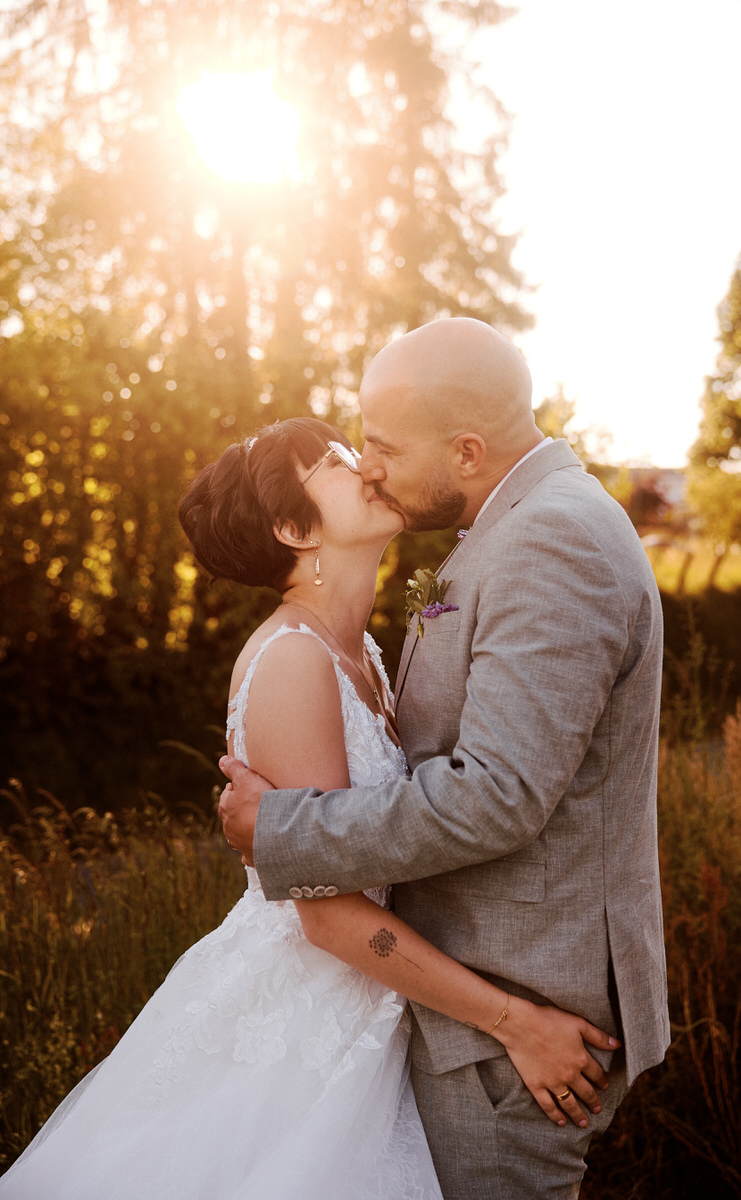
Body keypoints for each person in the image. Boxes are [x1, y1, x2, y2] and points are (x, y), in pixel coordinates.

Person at [0, 417, 618, 1200]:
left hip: (377, 1003)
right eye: (333, 461)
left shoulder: (361, 653)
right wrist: (514, 1022)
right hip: (308, 1019)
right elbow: (326, 915)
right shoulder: (293, 661)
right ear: (294, 528)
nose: (365, 466)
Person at [218, 319, 671, 1199]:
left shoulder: (551, 540)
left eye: (381, 446)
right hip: (468, 1011)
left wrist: (284, 828)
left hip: (519, 1014)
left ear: (467, 451)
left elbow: (496, 796)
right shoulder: (516, 525)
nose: (370, 466)